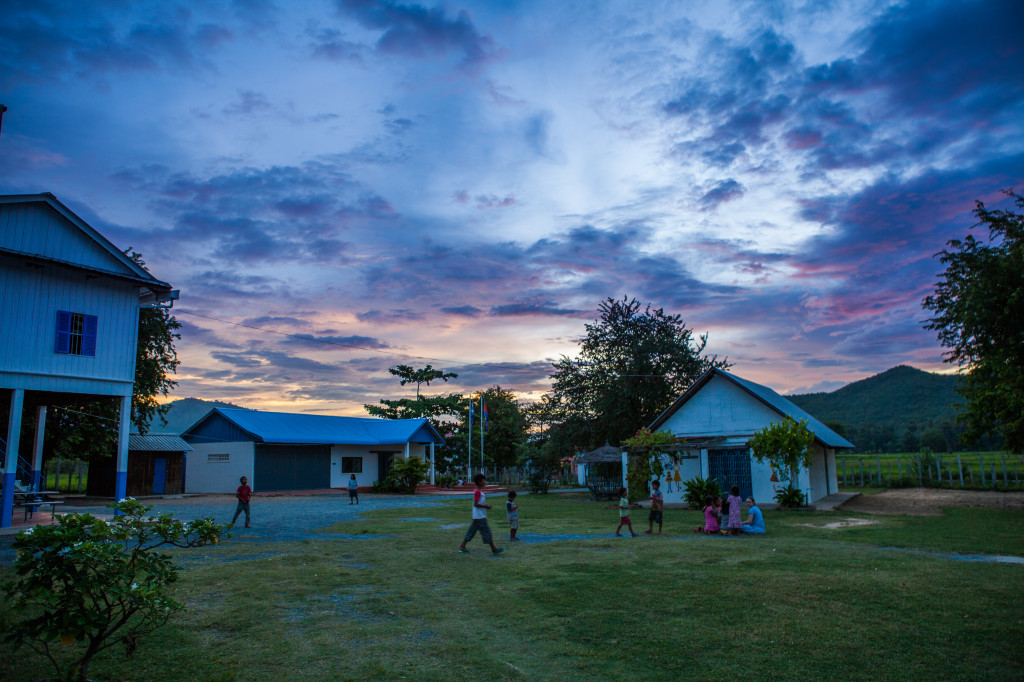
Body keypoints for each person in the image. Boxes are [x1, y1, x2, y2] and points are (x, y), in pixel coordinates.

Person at [458, 473, 504, 555]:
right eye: (483, 480)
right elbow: (475, 504)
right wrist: (486, 506)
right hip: (480, 516)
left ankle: (462, 546)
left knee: (471, 531)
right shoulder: (478, 492)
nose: (485, 482)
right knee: (486, 531)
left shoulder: (479, 491)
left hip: (477, 516)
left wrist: (485, 506)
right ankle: (494, 549)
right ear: (479, 481)